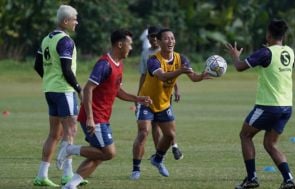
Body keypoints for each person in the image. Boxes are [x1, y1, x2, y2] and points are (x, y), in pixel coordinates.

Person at [57, 29, 152, 189]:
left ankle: (70, 185)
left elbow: (117, 91)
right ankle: (69, 149)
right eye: (130, 44)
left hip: (103, 117)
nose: (131, 48)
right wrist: (90, 118)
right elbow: (88, 89)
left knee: (99, 155)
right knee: (109, 153)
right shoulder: (104, 64)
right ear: (120, 44)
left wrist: (137, 99)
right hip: (95, 116)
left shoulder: (119, 64)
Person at [225, 19, 295, 189]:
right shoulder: (290, 52)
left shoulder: (266, 53)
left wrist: (235, 56)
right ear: (283, 35)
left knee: (245, 135)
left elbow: (240, 67)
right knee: (270, 143)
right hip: (286, 107)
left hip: (268, 106)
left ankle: (252, 178)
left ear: (268, 35)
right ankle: (289, 179)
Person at [130, 28, 210, 180]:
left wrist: (202, 76)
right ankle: (136, 169)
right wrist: (180, 71)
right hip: (147, 101)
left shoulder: (181, 58)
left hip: (164, 103)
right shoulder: (153, 60)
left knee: (170, 135)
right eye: (166, 39)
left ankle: (157, 159)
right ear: (159, 42)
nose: (170, 41)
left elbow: (192, 77)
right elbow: (163, 77)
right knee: (143, 132)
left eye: (172, 38)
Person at [33, 5, 86, 187]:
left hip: (50, 90)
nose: (76, 22)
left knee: (55, 134)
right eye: (74, 19)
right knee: (70, 131)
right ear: (65, 21)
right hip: (64, 91)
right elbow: (66, 70)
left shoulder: (46, 39)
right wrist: (79, 89)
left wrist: (49, 79)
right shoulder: (65, 41)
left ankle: (42, 175)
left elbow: (37, 66)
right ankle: (67, 175)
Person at [138, 26, 183, 160]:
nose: (153, 39)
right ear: (149, 38)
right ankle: (160, 153)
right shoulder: (146, 54)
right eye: (151, 36)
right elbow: (143, 75)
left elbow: (172, 73)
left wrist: (176, 89)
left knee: (167, 123)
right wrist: (139, 95)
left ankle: (174, 145)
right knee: (154, 125)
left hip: (164, 94)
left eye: (155, 36)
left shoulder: (165, 51)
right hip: (150, 94)